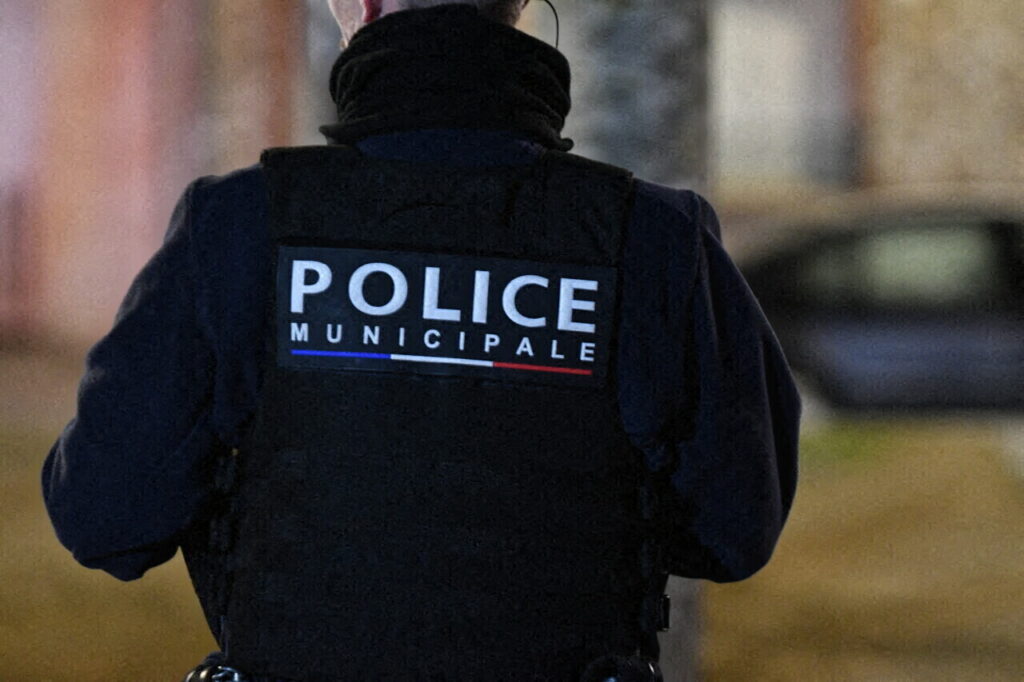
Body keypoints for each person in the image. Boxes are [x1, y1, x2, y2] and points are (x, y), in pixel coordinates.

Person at [42, 1, 800, 680]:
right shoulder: (657, 239)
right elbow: (734, 529)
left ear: (365, 6)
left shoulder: (238, 225)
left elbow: (107, 519)